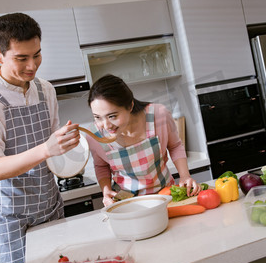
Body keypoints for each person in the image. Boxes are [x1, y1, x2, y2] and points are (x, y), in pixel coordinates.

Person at [0, 13, 80, 263]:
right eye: (21, 58)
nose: (32, 65)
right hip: (7, 216)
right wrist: (46, 148)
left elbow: (52, 153)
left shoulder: (45, 89)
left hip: (48, 204)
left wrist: (69, 150)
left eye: (36, 54)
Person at [85, 74, 201, 206]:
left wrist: (185, 176)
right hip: (127, 203)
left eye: (112, 116)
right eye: (98, 117)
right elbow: (101, 166)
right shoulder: (94, 135)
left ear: (130, 106)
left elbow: (175, 146)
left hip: (166, 196)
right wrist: (106, 191)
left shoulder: (158, 115)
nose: (105, 126)